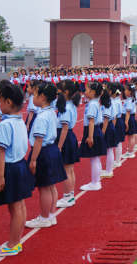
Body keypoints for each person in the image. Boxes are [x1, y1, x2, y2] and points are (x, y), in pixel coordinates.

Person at [0, 85, 34, 257]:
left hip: (9, 168)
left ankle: (12, 244)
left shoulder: (6, 124)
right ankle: (17, 241)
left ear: (8, 102)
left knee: (15, 208)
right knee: (19, 206)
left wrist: (0, 176)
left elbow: (1, 151)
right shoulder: (19, 120)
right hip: (19, 165)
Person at [25, 82, 67, 228]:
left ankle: (44, 218)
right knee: (51, 186)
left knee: (43, 187)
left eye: (35, 94)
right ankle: (50, 215)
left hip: (43, 152)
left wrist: (33, 159)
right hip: (52, 150)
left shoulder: (42, 116)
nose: (32, 97)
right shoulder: (50, 112)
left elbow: (38, 139)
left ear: (42, 97)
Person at [55, 80, 81, 208]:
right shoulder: (70, 105)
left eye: (58, 91)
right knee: (70, 170)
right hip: (69, 137)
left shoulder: (66, 108)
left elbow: (64, 128)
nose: (56, 93)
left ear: (65, 93)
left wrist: (59, 146)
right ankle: (70, 196)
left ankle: (67, 197)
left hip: (65, 137)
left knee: (66, 170)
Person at [79, 82, 107, 191]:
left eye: (86, 90)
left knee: (94, 159)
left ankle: (95, 183)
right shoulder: (95, 103)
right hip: (95, 130)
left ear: (93, 92)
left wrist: (90, 137)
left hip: (93, 131)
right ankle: (96, 182)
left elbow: (91, 121)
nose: (84, 92)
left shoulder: (92, 104)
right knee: (96, 159)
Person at [100, 86, 117, 179]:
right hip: (109, 126)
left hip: (106, 126)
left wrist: (103, 131)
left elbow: (106, 119)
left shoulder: (106, 104)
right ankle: (108, 170)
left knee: (109, 149)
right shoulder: (111, 102)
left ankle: (108, 170)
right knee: (109, 149)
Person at [122, 83, 137, 159]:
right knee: (130, 136)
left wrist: (126, 122)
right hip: (130, 118)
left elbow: (128, 112)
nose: (124, 91)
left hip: (129, 119)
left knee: (131, 136)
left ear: (129, 92)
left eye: (125, 90)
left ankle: (130, 152)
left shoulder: (129, 101)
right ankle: (130, 151)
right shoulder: (131, 99)